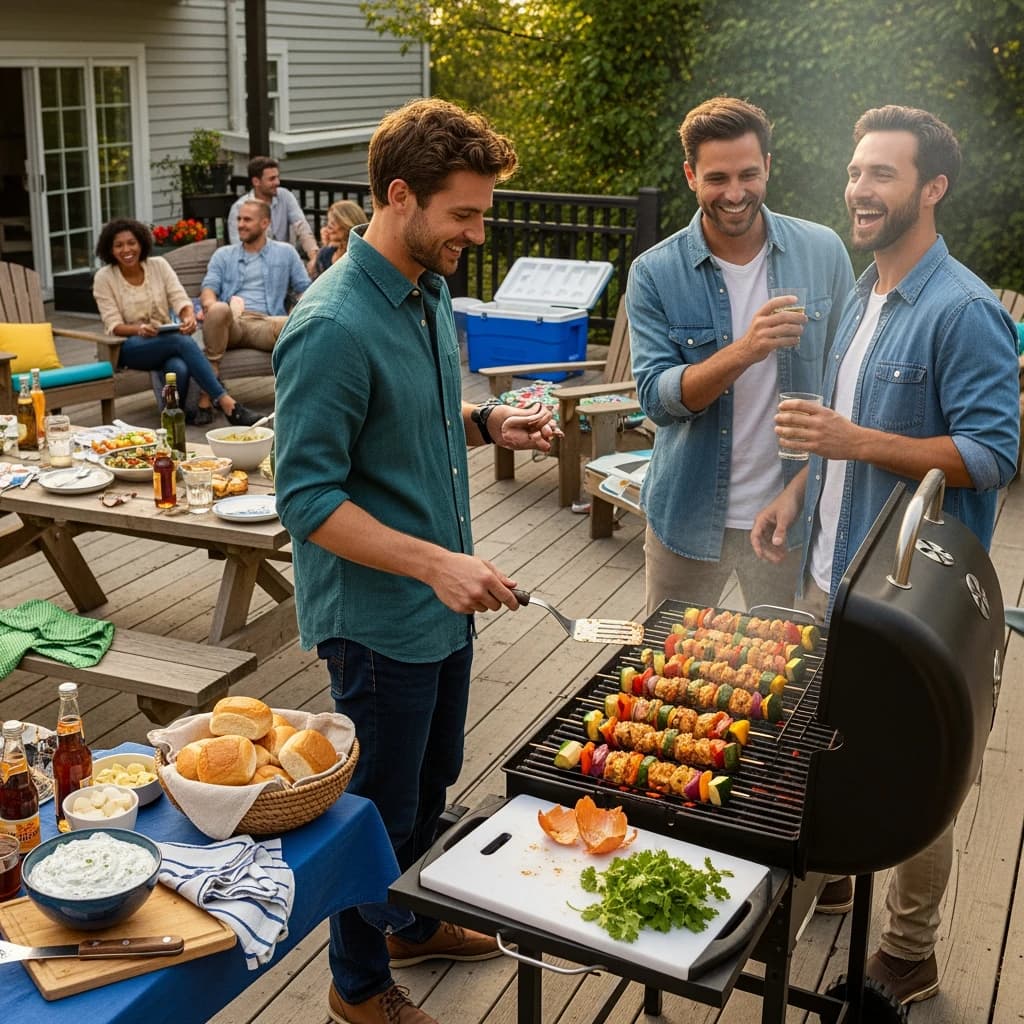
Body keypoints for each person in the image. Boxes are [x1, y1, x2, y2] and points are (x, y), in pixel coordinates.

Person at [273, 98, 557, 1024]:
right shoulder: (330, 326)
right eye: (463, 215)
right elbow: (307, 500)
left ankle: (406, 921)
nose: (477, 233)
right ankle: (356, 987)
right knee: (375, 816)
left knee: (431, 787)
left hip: (443, 606)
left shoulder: (429, 291)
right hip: (376, 621)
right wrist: (436, 565)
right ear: (400, 197)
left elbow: (407, 434)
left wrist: (487, 422)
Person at [751, 105, 1020, 1004]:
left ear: (931, 189)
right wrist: (796, 489)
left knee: (915, 773)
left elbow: (991, 455)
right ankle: (832, 875)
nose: (859, 190)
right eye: (857, 171)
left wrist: (855, 441)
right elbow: (837, 437)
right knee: (827, 746)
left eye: (883, 175)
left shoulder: (966, 310)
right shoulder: (863, 295)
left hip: (906, 605)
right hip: (831, 577)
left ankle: (908, 954)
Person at [626, 96, 854, 616]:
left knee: (785, 677)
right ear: (690, 175)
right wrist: (745, 350)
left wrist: (800, 489)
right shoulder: (654, 272)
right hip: (685, 516)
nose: (734, 194)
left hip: (791, 518)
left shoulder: (823, 251)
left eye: (748, 174)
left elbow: (849, 386)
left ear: (769, 167)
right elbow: (657, 401)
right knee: (670, 669)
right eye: (716, 178)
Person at [92, 218, 260, 426]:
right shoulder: (104, 277)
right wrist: (140, 329)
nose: (127, 249)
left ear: (141, 243)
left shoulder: (158, 265)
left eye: (131, 243)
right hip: (127, 346)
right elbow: (113, 325)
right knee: (180, 342)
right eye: (119, 245)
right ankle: (228, 404)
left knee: (178, 367)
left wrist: (188, 317)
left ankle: (176, 413)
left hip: (164, 339)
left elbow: (180, 299)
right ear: (110, 250)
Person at [199, 198, 311, 395]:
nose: (240, 225)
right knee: (218, 309)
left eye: (247, 220)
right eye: (239, 219)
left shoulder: (286, 252)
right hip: (233, 322)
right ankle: (212, 377)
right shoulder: (223, 255)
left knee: (295, 326)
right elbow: (209, 288)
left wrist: (298, 309)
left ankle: (299, 392)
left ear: (265, 223)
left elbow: (305, 289)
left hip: (266, 323)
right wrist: (209, 304)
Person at [227, 155, 319, 273]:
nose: (277, 182)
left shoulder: (285, 196)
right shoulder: (240, 208)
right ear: (256, 181)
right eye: (271, 179)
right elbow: (239, 247)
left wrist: (314, 256)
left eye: (277, 177)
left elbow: (301, 227)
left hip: (288, 264)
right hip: (256, 269)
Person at [312, 199, 368, 277]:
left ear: (346, 225)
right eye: (327, 222)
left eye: (332, 224)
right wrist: (325, 246)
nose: (327, 228)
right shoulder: (327, 253)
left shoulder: (362, 254)